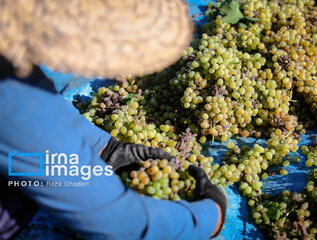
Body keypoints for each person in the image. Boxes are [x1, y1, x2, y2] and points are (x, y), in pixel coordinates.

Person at [0, 0, 227, 239]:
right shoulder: (12, 94)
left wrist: (104, 147)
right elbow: (120, 223)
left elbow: (37, 116)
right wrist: (212, 215)